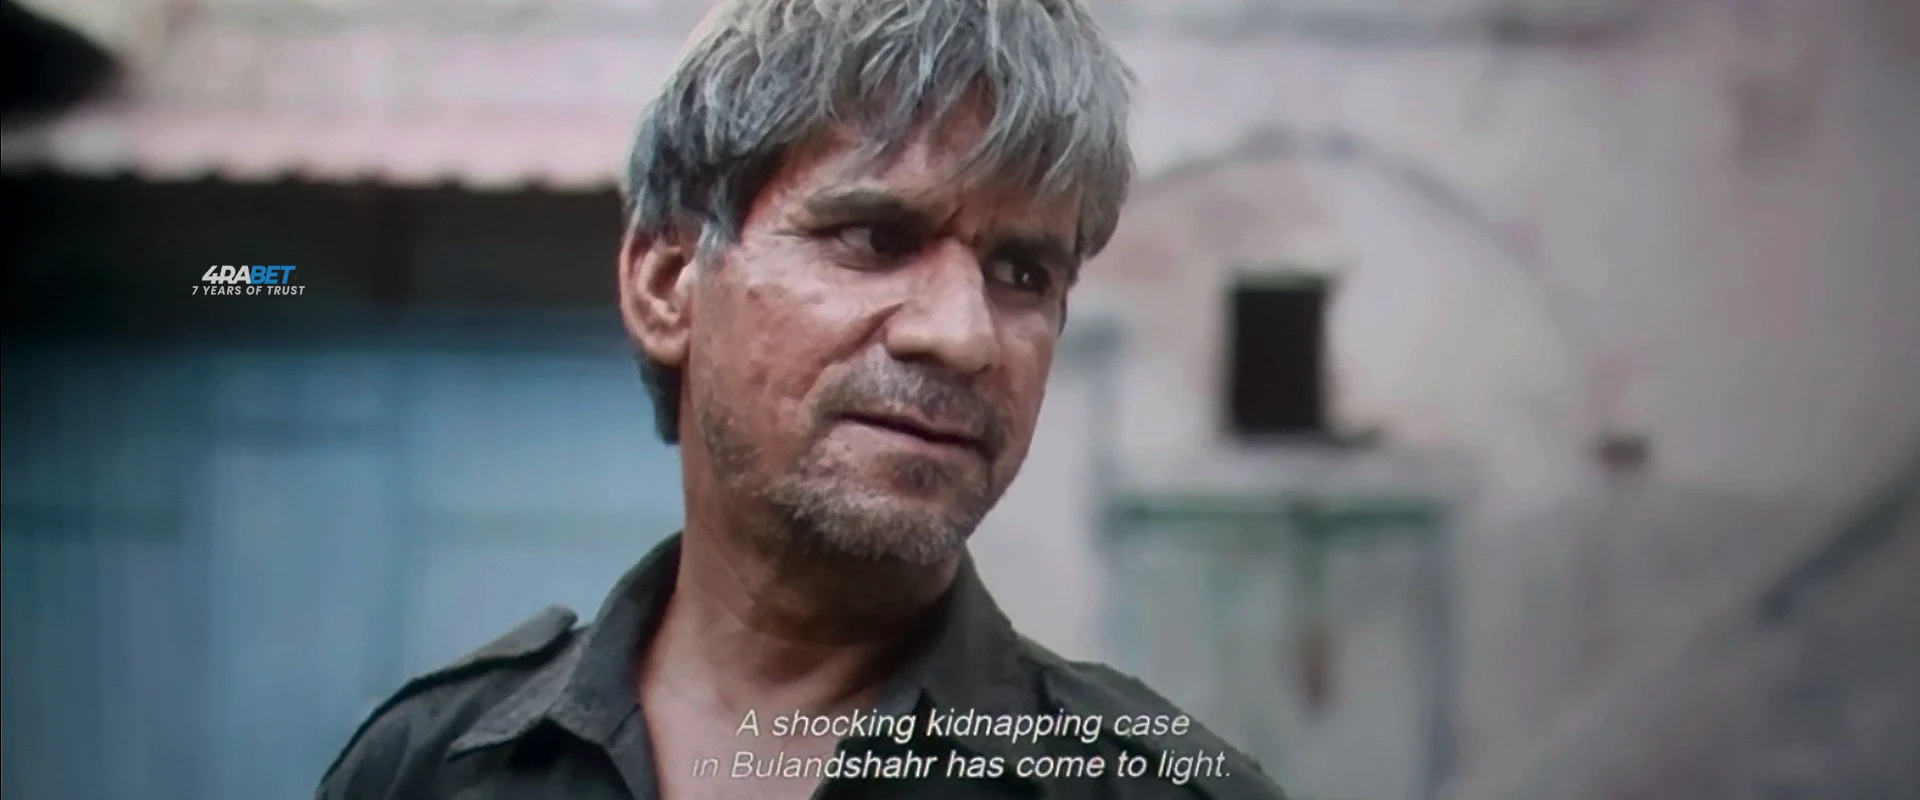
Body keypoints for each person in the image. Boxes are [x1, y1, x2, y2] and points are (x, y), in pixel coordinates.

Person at [316, 0, 1289, 798]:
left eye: (1022, 273)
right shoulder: (428, 768)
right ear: (668, 284)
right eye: (874, 238)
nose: (962, 334)